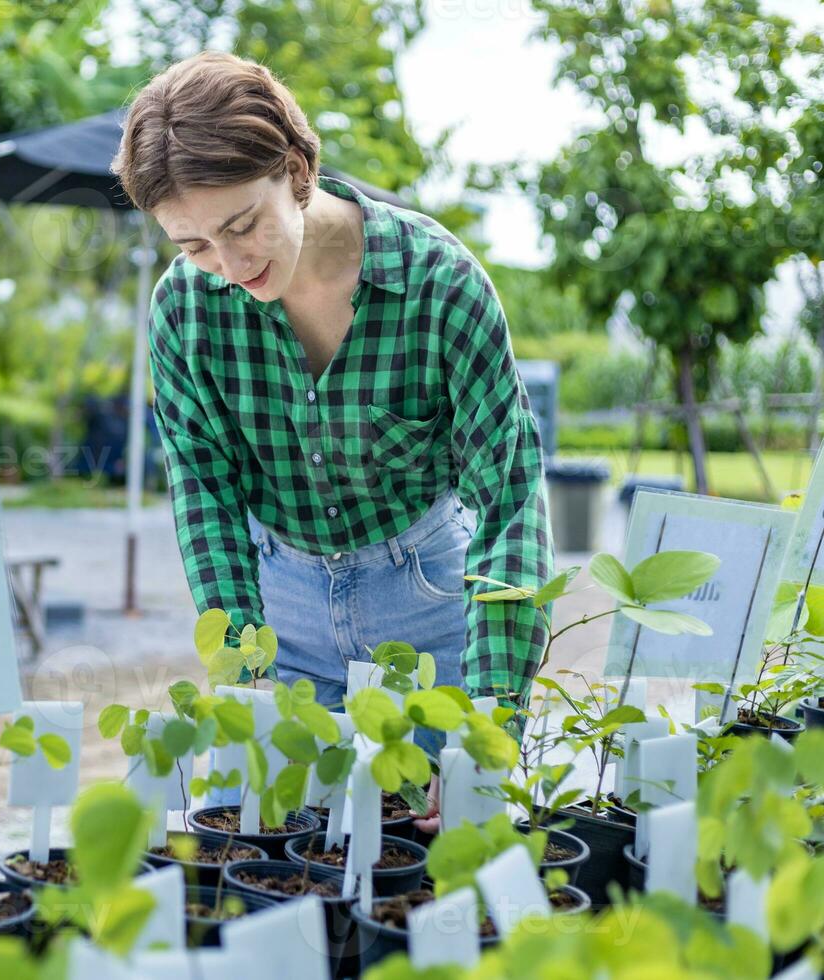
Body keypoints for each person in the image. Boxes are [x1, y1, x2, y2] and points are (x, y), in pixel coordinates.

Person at [110, 51, 553, 829]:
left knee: (445, 848)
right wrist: (245, 676)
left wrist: (491, 717)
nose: (228, 263)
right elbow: (206, 498)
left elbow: (510, 501)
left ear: (297, 168)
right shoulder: (186, 311)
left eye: (242, 224)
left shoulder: (441, 286)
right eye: (194, 245)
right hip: (277, 614)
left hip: (432, 609)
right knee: (260, 852)